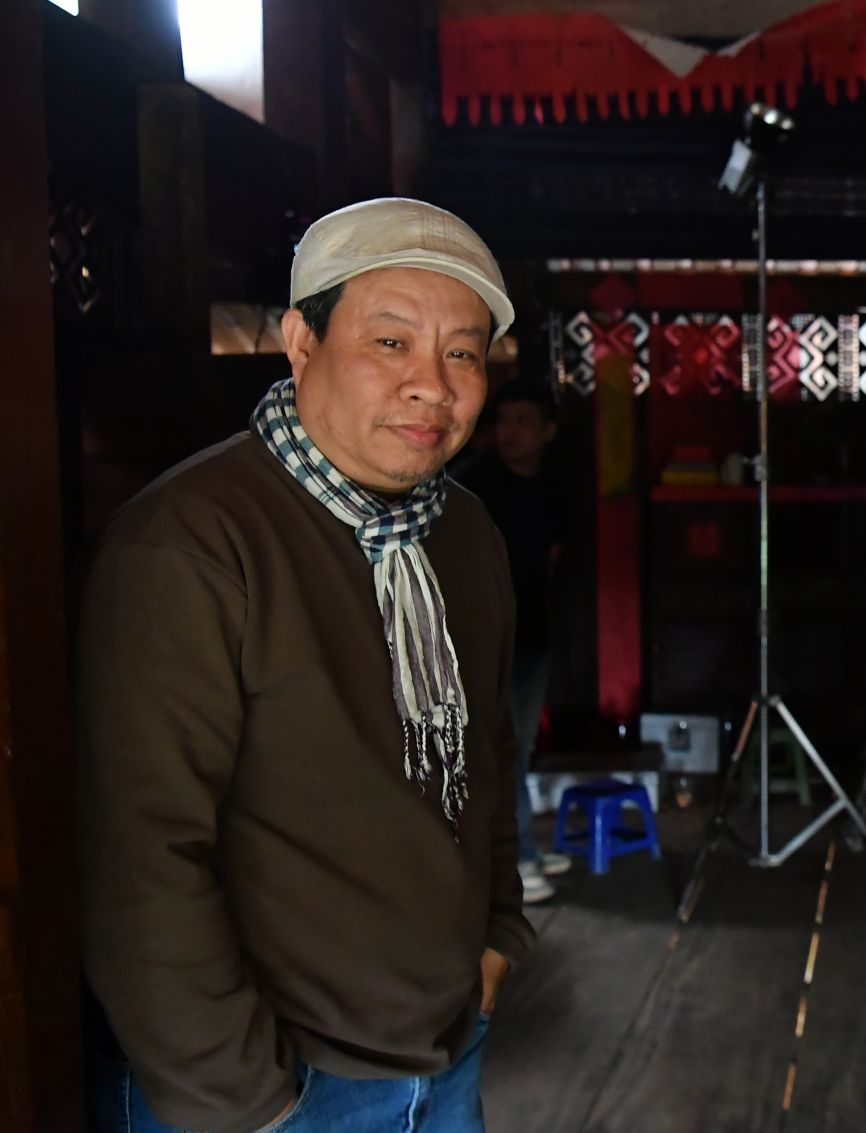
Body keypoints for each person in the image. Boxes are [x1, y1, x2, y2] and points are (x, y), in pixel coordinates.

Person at [76, 198, 535, 1133]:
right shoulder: (197, 542)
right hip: (279, 1092)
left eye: (463, 352)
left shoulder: (465, 531)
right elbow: (140, 850)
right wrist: (244, 1096)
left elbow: (482, 753)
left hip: (442, 1053)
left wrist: (498, 934)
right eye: (392, 342)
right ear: (300, 340)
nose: (433, 386)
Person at [457, 380, 572, 904]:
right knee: (501, 747)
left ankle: (523, 846)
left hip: (533, 633)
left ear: (548, 431)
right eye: (504, 421)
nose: (510, 432)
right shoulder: (475, 484)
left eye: (524, 421)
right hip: (485, 638)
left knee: (519, 745)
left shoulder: (553, 484)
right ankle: (517, 858)